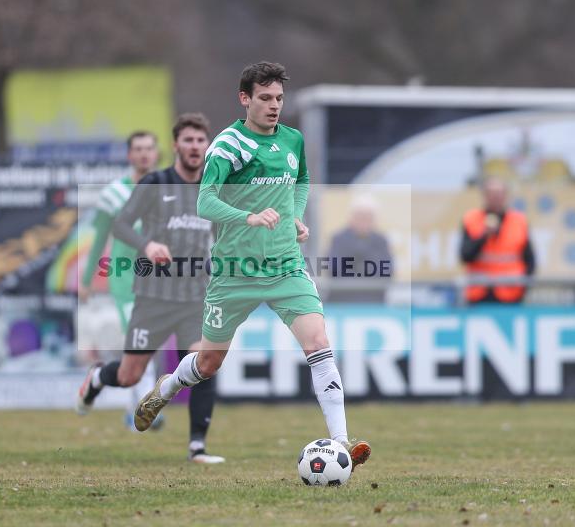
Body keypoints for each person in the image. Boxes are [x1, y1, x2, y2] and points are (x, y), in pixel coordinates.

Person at [132, 62, 371, 469]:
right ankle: (167, 387)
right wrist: (248, 217)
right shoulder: (228, 145)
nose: (274, 106)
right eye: (265, 98)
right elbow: (205, 202)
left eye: (279, 98)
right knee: (209, 363)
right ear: (245, 99)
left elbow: (301, 182)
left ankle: (343, 442)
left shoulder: (292, 140)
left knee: (318, 342)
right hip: (234, 272)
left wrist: (295, 214)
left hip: (285, 267)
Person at [77, 113, 223, 463]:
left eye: (200, 141)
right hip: (153, 297)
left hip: (194, 297)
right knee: (130, 376)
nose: (194, 147)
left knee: (205, 363)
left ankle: (197, 447)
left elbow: (222, 233)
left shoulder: (213, 187)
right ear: (175, 146)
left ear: (207, 146)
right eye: (188, 140)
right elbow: (121, 226)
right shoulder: (155, 183)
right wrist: (147, 246)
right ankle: (98, 378)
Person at [77, 131, 163, 430]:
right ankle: (147, 411)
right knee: (143, 344)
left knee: (143, 349)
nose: (143, 154)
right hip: (126, 279)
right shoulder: (114, 193)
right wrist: (86, 280)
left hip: (159, 280)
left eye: (149, 148)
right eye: (137, 149)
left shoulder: (167, 187)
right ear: (129, 155)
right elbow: (99, 238)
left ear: (157, 153)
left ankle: (132, 407)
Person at [459, 177, 535, 304]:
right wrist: (484, 235)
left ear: (506, 196)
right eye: (492, 194)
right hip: (479, 294)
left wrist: (523, 287)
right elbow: (465, 256)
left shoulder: (519, 221)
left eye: (499, 194)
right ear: (485, 196)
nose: (496, 198)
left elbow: (530, 261)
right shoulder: (471, 219)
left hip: (511, 295)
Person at [326, 194, 393, 303]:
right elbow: (334, 269)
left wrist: (357, 265)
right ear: (351, 218)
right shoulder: (339, 239)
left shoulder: (381, 241)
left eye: (368, 217)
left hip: (373, 301)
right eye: (360, 216)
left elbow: (387, 270)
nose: (364, 221)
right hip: (342, 301)